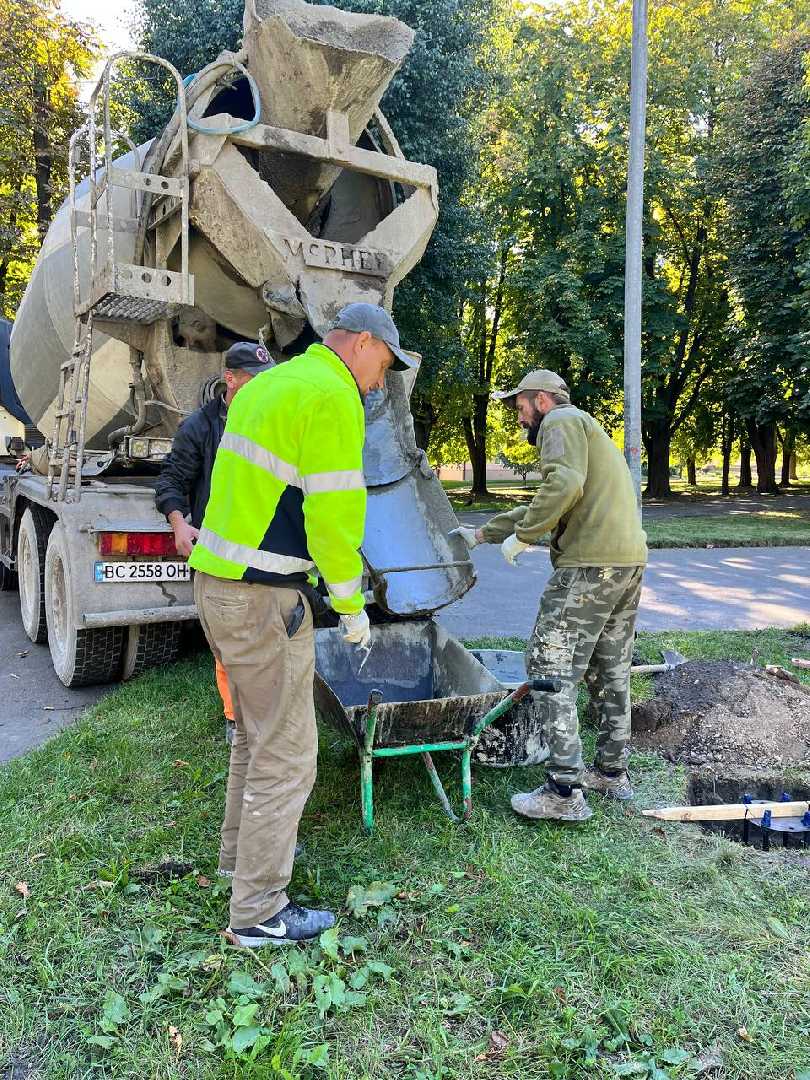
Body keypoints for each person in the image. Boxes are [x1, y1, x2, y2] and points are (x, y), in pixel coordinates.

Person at [189, 303, 417, 946]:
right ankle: (259, 911)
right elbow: (334, 522)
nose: (382, 380)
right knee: (288, 755)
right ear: (364, 344)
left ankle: (240, 866)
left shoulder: (271, 384)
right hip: (261, 599)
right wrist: (351, 607)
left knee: (253, 738)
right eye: (385, 365)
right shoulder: (332, 396)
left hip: (219, 586)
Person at [451, 370, 647, 823]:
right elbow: (555, 499)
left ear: (542, 400)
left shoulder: (559, 422)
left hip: (588, 568)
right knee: (609, 668)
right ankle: (611, 773)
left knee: (548, 669)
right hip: (626, 563)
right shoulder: (586, 428)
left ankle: (563, 790)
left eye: (520, 407)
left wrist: (524, 537)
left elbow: (561, 488)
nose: (519, 418)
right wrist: (481, 533)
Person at [155, 342, 273, 737]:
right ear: (230, 379)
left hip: (263, 549)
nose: (262, 388)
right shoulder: (200, 427)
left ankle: (263, 707)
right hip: (219, 553)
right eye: (253, 381)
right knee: (226, 638)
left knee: (262, 634)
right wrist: (178, 523)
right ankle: (234, 716)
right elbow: (172, 480)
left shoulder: (271, 420)